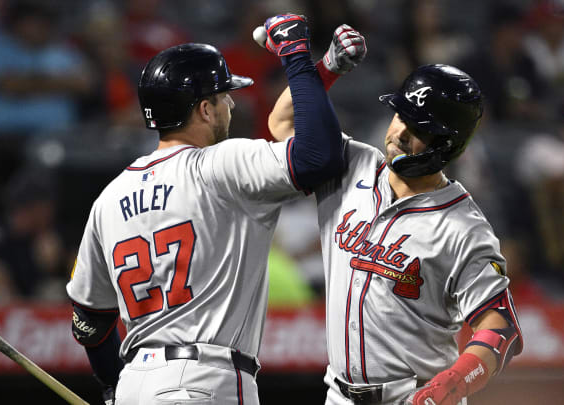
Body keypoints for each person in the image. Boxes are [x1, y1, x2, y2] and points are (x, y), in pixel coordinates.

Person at [66, 14, 353, 405]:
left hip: (136, 380)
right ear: (204, 109)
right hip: (202, 381)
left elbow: (89, 322)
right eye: (223, 96)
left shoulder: (110, 197)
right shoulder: (218, 165)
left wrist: (112, 386)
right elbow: (320, 156)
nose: (231, 103)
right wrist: (296, 54)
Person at [267, 31, 524, 405]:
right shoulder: (349, 166)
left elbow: (501, 329)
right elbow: (283, 124)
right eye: (400, 115)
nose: (400, 133)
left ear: (447, 144)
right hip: (338, 395)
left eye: (418, 128)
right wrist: (327, 67)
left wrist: (454, 383)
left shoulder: (463, 227)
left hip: (414, 396)